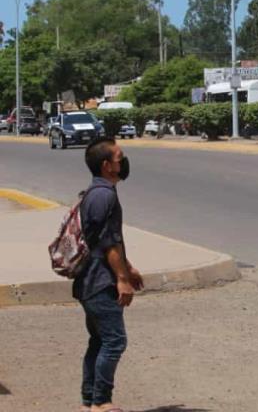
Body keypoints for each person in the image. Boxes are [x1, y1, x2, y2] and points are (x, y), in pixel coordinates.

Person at [74, 137, 143, 412]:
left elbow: (108, 241)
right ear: (107, 166)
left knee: (99, 340)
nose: (123, 162)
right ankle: (101, 401)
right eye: (119, 158)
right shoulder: (104, 196)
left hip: (91, 279)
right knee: (114, 341)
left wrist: (129, 268)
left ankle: (89, 400)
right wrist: (122, 280)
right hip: (99, 281)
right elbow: (108, 243)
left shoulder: (96, 193)